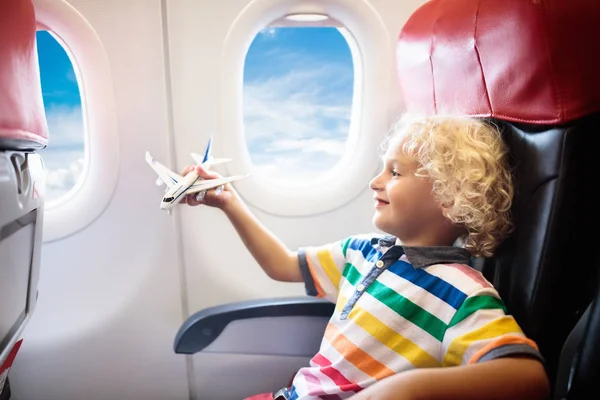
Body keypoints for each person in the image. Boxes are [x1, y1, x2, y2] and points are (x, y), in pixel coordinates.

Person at [181, 114, 551, 400]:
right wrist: (229, 202)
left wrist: (406, 390)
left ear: (449, 196)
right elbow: (281, 264)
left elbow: (528, 379)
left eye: (395, 172)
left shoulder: (461, 293)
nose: (375, 181)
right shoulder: (362, 251)